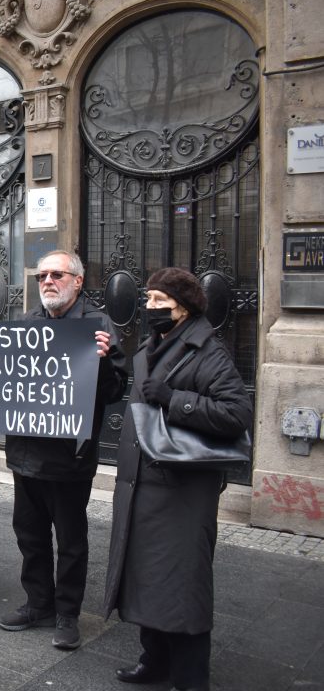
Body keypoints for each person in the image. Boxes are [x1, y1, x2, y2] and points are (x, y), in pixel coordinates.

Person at [104, 268, 251, 691]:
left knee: (182, 587)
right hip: (145, 489)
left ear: (182, 308)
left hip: (182, 493)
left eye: (157, 301)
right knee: (148, 580)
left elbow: (237, 413)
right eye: (148, 299)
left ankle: (190, 678)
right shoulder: (158, 344)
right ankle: (155, 662)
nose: (149, 308)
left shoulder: (208, 352)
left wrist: (174, 401)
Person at [0, 250, 127, 651]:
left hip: (70, 456)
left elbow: (115, 390)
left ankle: (68, 612)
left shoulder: (97, 325)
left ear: (77, 281)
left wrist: (102, 361)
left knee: (70, 539)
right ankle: (38, 603)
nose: (47, 282)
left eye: (56, 275)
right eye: (41, 277)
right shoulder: (26, 324)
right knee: (29, 534)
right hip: (25, 452)